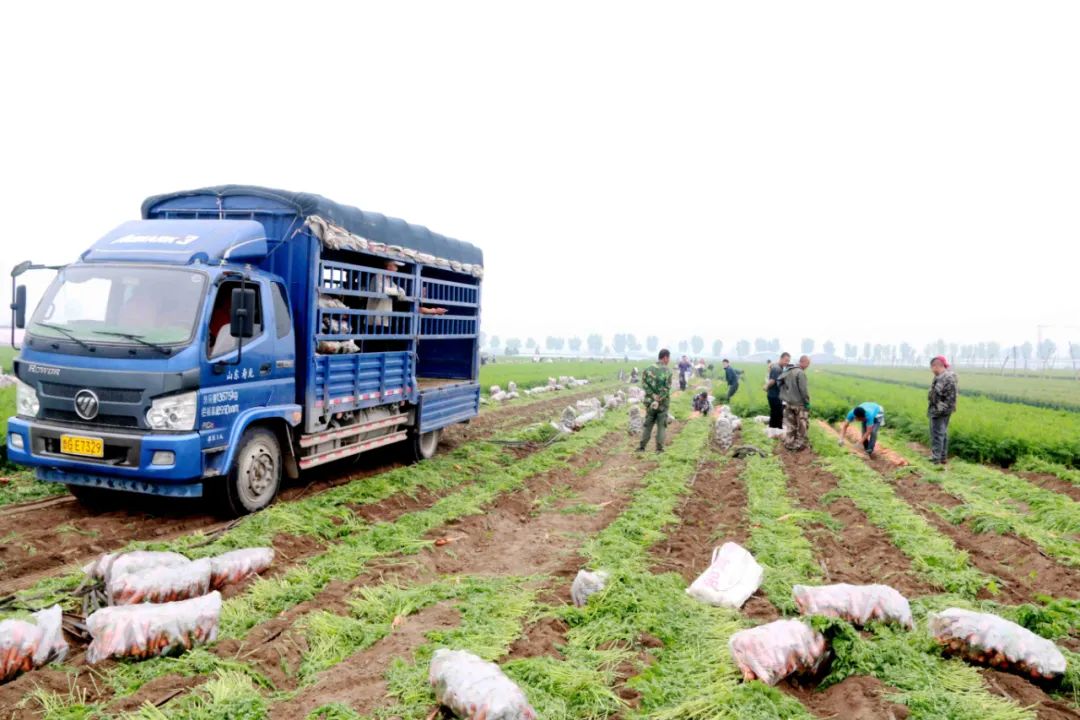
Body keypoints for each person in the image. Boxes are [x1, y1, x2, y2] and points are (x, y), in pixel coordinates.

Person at [638, 349, 672, 453]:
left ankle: (641, 447)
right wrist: (660, 397)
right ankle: (659, 449)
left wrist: (652, 395)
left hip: (650, 403)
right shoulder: (668, 371)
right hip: (662, 404)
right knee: (661, 426)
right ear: (665, 357)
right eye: (668, 358)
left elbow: (643, 384)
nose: (669, 360)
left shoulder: (647, 369)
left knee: (648, 425)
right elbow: (667, 388)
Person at [928, 355, 958, 465]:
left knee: (937, 434)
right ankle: (943, 457)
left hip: (939, 410)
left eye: (932, 367)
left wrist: (935, 408)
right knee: (943, 433)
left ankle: (936, 458)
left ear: (936, 366)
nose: (931, 370)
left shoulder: (942, 377)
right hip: (948, 409)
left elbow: (935, 395)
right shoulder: (951, 376)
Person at [779, 355, 811, 451]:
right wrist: (807, 403)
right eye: (808, 363)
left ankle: (789, 443)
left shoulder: (788, 371)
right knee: (802, 425)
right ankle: (799, 445)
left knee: (791, 425)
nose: (808, 366)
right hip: (799, 404)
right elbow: (803, 390)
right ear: (803, 362)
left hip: (788, 403)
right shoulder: (800, 373)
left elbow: (780, 384)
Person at [764, 352, 791, 430]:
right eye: (786, 360)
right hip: (774, 396)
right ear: (781, 358)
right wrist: (766, 387)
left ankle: (773, 431)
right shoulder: (777, 368)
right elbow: (772, 381)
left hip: (776, 395)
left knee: (775, 414)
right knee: (778, 415)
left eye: (788, 361)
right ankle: (776, 431)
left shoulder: (780, 367)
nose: (787, 362)